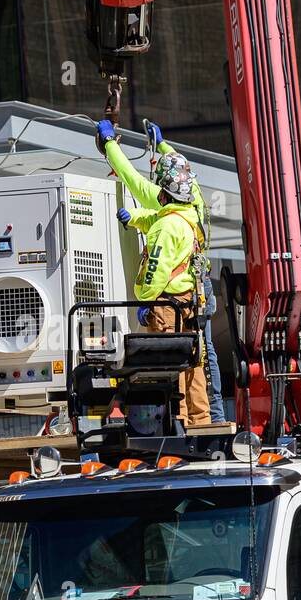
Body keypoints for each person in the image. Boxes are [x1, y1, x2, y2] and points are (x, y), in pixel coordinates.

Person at [98, 120, 224, 423]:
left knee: (171, 362)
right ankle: (206, 418)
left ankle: (178, 420)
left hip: (169, 300)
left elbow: (132, 180)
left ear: (164, 191)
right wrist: (163, 145)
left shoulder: (165, 221)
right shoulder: (194, 202)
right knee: (199, 357)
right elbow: (161, 214)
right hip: (197, 292)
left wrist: (110, 145)